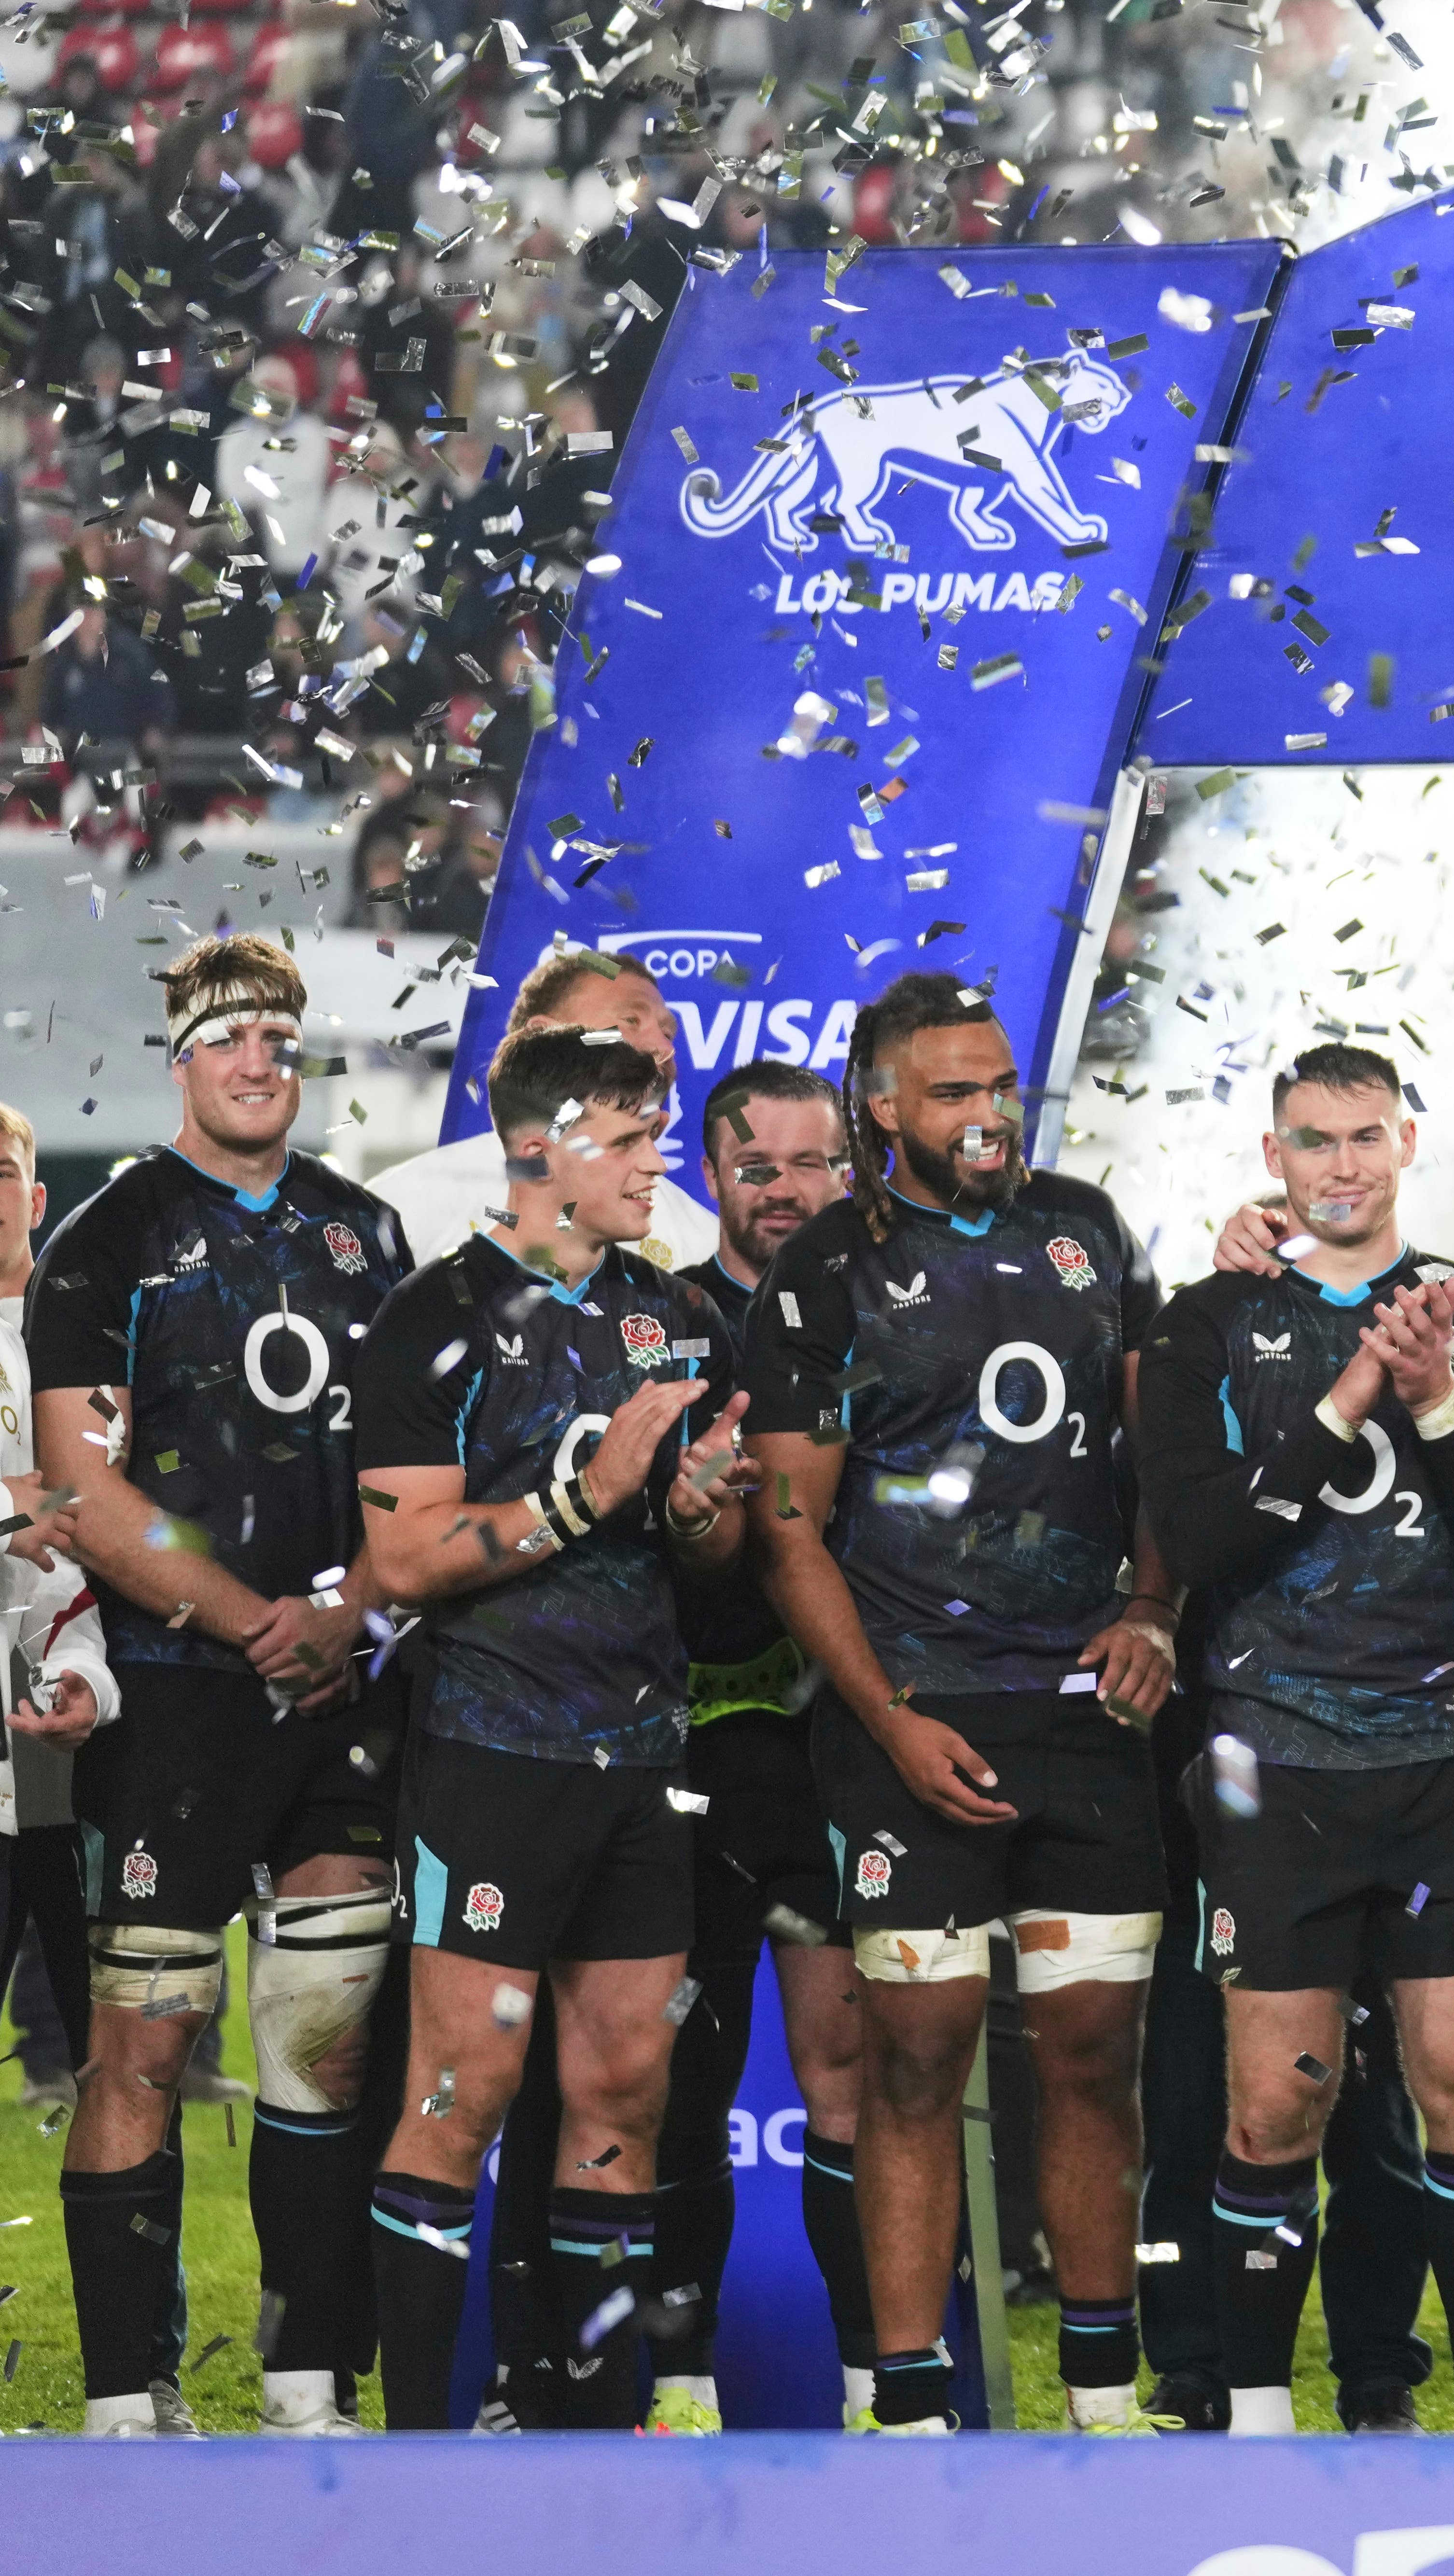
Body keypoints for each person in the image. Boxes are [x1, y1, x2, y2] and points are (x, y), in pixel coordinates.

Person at [741, 971, 1178, 2436]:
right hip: (910, 1718)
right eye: (951, 1092)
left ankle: (1102, 2395)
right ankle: (910, 2404)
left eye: (999, 1086)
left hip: (1085, 1718)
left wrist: (1151, 1606)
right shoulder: (824, 1274)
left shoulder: (1089, 1229)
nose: (986, 1114)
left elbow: (1154, 1442)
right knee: (914, 2058)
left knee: (1093, 2056)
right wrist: (887, 1719)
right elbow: (790, 1531)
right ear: (881, 1108)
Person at [1134, 1043, 1454, 2437]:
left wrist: (1435, 1390)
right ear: (1273, 1155)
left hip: (1439, 1759)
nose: (1339, 1164)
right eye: (1312, 1140)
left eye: (1364, 1137)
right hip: (1270, 1760)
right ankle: (1259, 2424)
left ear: (1405, 1143)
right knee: (1270, 2110)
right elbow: (1198, 1542)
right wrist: (1345, 1401)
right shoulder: (1211, 1321)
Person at [34, 936, 414, 2438]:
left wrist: (350, 1615)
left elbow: (412, 1470)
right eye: (228, 1036)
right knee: (145, 2037)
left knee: (323, 2042)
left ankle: (306, 2381)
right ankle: (130, 2397)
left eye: (277, 1033)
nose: (258, 1059)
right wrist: (261, 1619)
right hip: (175, 1695)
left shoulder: (369, 1236)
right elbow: (83, 1479)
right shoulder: (107, 1243)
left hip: (341, 1702)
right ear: (178, 1056)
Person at [352, 1023, 755, 2430]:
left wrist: (705, 1514)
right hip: (488, 1758)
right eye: (632, 1137)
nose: (659, 1160)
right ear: (538, 1148)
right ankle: (410, 2449)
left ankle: (584, 2436)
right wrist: (592, 1496)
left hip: (643, 1765)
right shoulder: (435, 1318)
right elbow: (401, 1559)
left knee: (626, 2090)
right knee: (464, 2093)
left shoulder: (676, 1317)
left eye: (659, 1131)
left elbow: (699, 1565)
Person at [651, 1060, 869, 2423]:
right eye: (761, 1168)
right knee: (682, 2075)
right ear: (712, 1174)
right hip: (682, 1756)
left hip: (837, 1749)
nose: (789, 1192)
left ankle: (873, 2385)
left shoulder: (892, 1309)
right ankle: (677, 2390)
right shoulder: (660, 1323)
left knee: (852, 2075)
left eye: (814, 1164)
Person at [0, 1096, 114, 2234]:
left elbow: (122, 1540)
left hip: (91, 1753)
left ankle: (143, 2371)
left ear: (35, 1200)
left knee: (126, 2072)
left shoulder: (89, 1353)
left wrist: (96, 1679)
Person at [365, 942, 724, 1273]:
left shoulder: (702, 1242)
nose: (663, 1048)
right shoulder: (401, 1208)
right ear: (541, 1036)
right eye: (631, 1020)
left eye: (668, 1032)